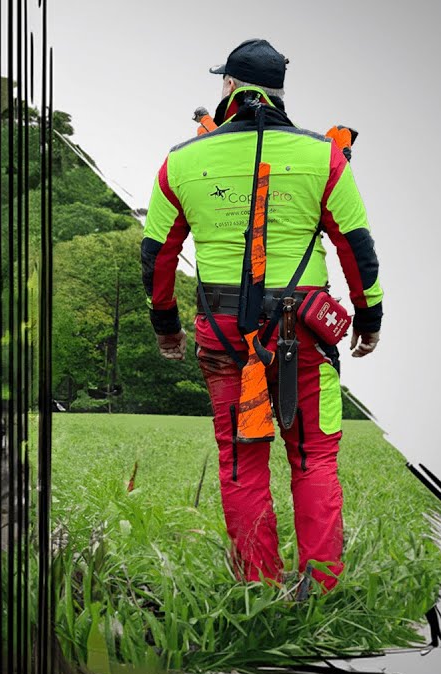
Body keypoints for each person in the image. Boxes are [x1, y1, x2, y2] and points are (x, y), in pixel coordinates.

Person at [140, 38, 383, 596]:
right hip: (305, 334)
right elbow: (357, 250)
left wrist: (166, 326)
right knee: (314, 457)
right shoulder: (327, 157)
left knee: (241, 462)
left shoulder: (179, 161)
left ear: (228, 85)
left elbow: (157, 255)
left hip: (224, 338)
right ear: (278, 90)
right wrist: (370, 320)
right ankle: (322, 590)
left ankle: (259, 590)